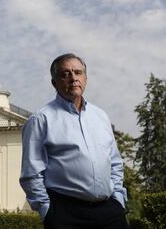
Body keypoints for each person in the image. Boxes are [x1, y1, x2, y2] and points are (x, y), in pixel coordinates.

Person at [19, 53, 129, 229]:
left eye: (78, 72)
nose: (73, 78)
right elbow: (31, 173)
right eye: (65, 74)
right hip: (67, 215)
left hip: (110, 212)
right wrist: (47, 211)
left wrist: (118, 199)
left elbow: (115, 162)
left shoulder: (101, 116)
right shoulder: (41, 119)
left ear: (85, 79)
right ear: (54, 82)